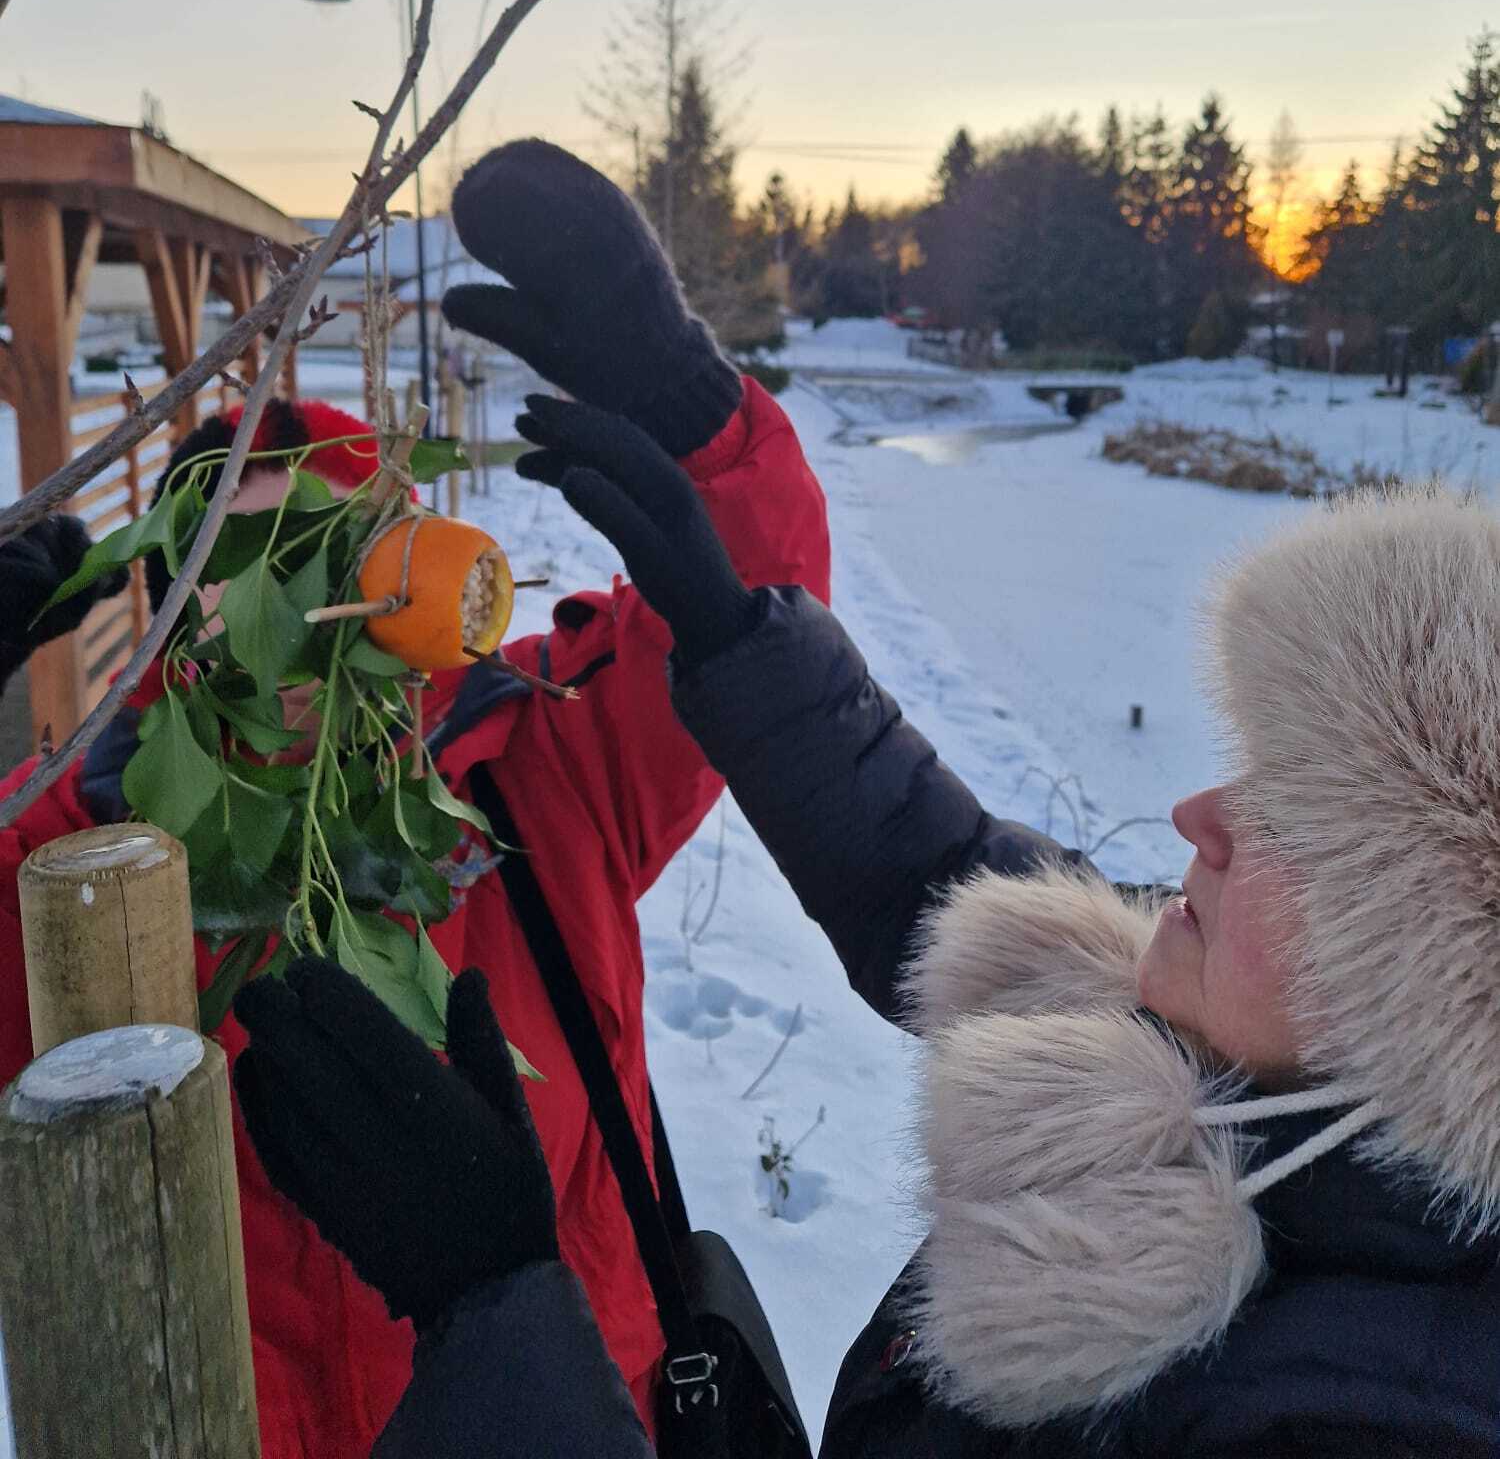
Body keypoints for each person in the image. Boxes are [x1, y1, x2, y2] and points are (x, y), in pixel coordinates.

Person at [238, 410, 1500, 1455]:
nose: (1195, 815)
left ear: (1430, 994)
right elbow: (944, 873)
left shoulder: (1361, 1417)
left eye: (1300, 819)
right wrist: (732, 608)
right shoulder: (1253, 1071)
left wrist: (496, 1313)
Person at [0, 142, 830, 1459]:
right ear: (171, 606)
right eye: (230, 553)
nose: (275, 601)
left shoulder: (535, 762)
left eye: (317, 538)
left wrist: (691, 408)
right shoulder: (83, 860)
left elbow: (746, 630)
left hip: (573, 1413)